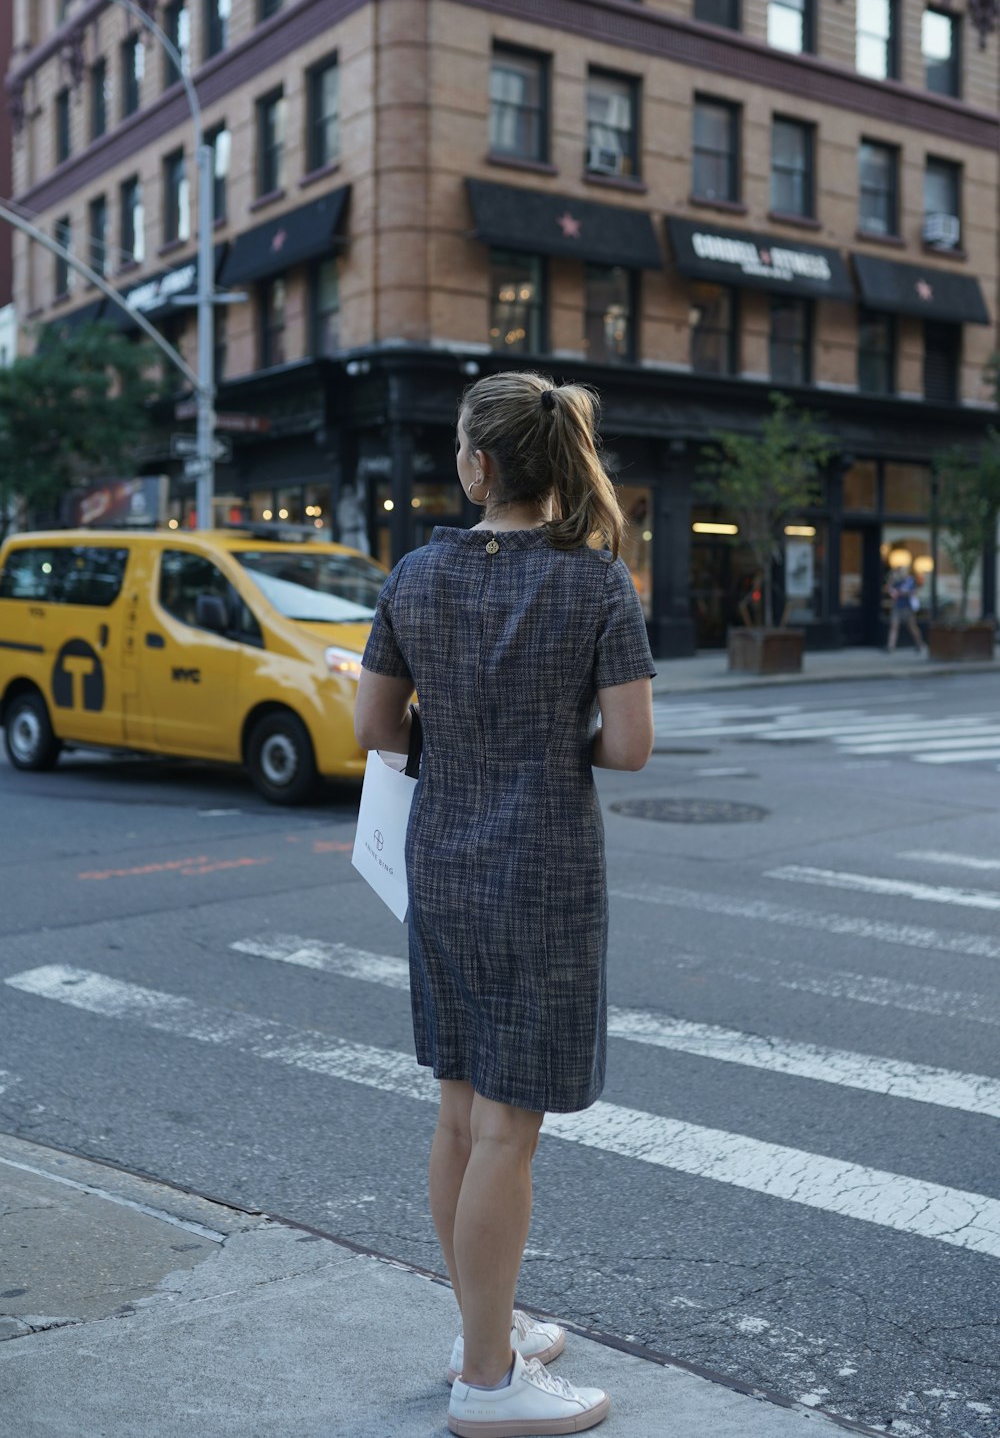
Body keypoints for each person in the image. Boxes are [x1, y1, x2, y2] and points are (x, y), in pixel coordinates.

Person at [353, 371, 655, 1438]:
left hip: (440, 860)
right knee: (507, 1134)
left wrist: (464, 743)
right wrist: (538, 745)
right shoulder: (597, 583)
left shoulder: (416, 575)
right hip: (545, 870)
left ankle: (484, 1329)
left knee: (458, 1110)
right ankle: (488, 1381)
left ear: (480, 466)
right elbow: (627, 746)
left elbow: (375, 727)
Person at [886, 565, 925, 653]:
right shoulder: (897, 581)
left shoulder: (910, 581)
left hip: (907, 607)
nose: (901, 573)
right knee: (894, 626)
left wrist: (900, 592)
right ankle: (890, 647)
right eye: (900, 572)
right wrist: (891, 579)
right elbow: (890, 590)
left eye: (902, 571)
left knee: (912, 627)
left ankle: (919, 643)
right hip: (897, 607)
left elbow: (912, 592)